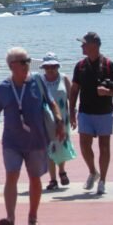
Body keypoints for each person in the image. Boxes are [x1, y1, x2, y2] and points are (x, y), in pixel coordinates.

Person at [0, 47, 64, 225]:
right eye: (23, 61)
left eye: (28, 61)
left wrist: (59, 119)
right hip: (12, 142)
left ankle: (33, 216)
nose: (27, 65)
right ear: (12, 65)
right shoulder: (3, 88)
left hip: (36, 140)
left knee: (34, 178)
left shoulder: (38, 82)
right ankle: (10, 217)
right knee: (11, 176)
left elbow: (51, 102)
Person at [69, 32, 113, 196]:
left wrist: (107, 92)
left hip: (104, 112)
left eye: (84, 44)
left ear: (94, 45)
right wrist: (71, 111)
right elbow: (74, 89)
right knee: (84, 145)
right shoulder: (80, 66)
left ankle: (103, 181)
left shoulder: (108, 65)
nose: (81, 46)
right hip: (85, 111)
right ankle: (93, 171)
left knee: (104, 147)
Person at [40, 52, 76, 191]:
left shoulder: (64, 78)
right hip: (46, 118)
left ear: (57, 66)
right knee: (50, 147)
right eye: (48, 67)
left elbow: (72, 98)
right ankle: (53, 179)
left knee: (62, 144)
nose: (50, 69)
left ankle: (62, 171)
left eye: (53, 66)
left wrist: (73, 114)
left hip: (63, 117)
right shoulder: (40, 80)